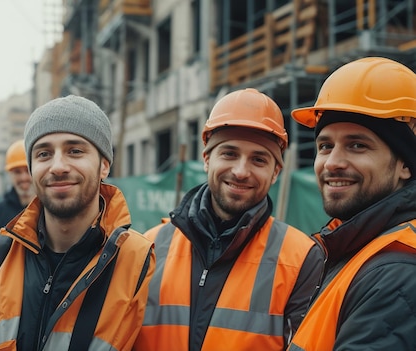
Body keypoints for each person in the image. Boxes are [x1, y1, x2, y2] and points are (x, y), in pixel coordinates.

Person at [0, 95, 155, 351]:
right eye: (44, 154)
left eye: (75, 150)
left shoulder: (139, 264)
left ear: (104, 165)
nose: (58, 166)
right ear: (32, 168)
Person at [133, 88, 325, 351]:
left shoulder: (301, 259)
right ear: (207, 159)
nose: (240, 171)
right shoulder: (149, 249)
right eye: (229, 153)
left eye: (258, 159)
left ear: (275, 172)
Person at [286, 57, 416, 350]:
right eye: (325, 146)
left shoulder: (395, 275)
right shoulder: (359, 249)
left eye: (357, 145)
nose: (332, 163)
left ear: (405, 164)